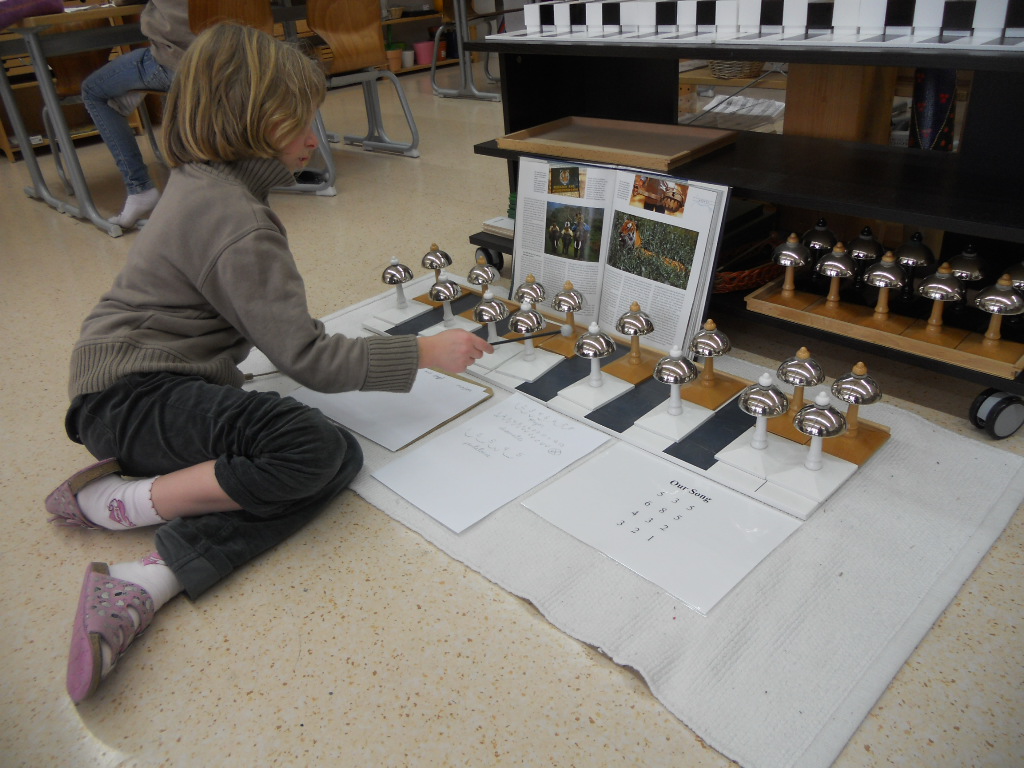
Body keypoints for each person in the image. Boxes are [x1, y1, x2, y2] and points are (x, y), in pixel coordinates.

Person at [48, 22, 493, 705]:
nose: (315, 137)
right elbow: (307, 358)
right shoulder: (239, 220)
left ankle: (148, 560)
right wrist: (423, 352)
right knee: (308, 447)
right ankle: (120, 511)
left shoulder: (204, 184)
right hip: (133, 400)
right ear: (246, 122)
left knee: (337, 456)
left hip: (124, 390)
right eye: (299, 122)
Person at [81, 0, 193, 229]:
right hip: (244, 55)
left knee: (93, 91)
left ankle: (140, 188)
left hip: (181, 60)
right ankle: (129, 96)